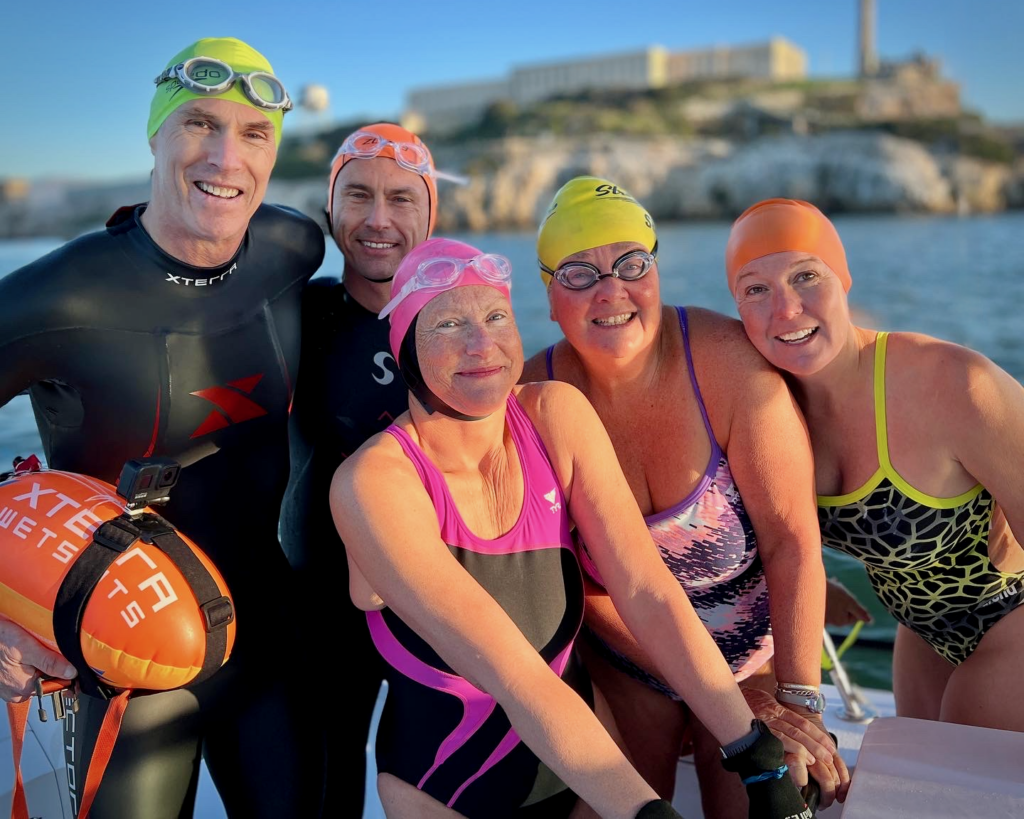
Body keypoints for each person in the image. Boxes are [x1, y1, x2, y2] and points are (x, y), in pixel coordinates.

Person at [330, 237, 815, 819]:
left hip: (588, 768)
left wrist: (752, 749)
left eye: (495, 317)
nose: (481, 343)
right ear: (405, 347)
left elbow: (646, 589)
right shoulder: (375, 483)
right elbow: (515, 676)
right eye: (448, 324)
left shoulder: (553, 415)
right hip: (446, 787)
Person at [0, 37, 327, 817]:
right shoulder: (61, 294)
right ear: (155, 135)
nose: (226, 156)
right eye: (198, 125)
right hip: (92, 657)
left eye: (253, 134)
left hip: (261, 639)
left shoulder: (291, 246)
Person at [520, 177, 848, 818]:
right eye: (578, 273)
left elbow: (792, 541)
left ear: (656, 272)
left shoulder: (724, 361)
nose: (611, 290)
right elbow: (568, 582)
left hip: (758, 667)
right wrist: (698, 685)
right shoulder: (535, 397)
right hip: (628, 666)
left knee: (770, 801)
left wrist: (795, 702)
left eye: (631, 265)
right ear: (550, 296)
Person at [725, 197, 1024, 732]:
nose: (786, 308)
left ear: (843, 278)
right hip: (923, 632)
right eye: (756, 289)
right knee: (925, 780)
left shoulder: (951, 384)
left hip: (1011, 613)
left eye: (806, 276)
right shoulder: (764, 410)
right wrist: (816, 588)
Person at [280, 122, 438, 816]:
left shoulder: (464, 320)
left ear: (431, 215)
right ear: (329, 210)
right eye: (359, 196)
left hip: (439, 609)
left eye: (402, 198)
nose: (378, 219)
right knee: (328, 793)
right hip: (321, 613)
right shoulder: (288, 315)